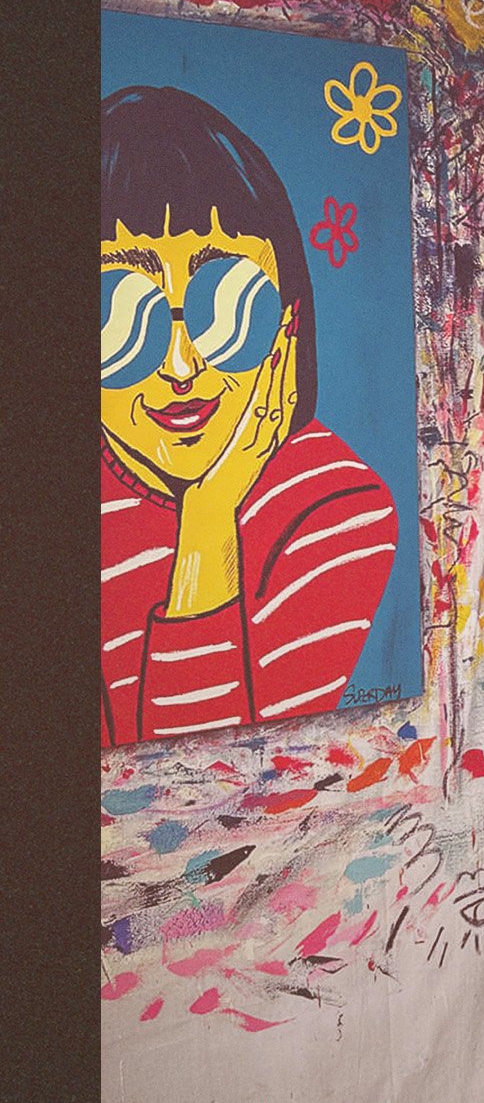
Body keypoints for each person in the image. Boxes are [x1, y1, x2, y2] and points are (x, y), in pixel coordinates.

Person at [99, 86, 398, 746]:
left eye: (226, 307)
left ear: (288, 321)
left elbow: (204, 777)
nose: (181, 365)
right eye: (123, 314)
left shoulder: (334, 508)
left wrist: (209, 521)